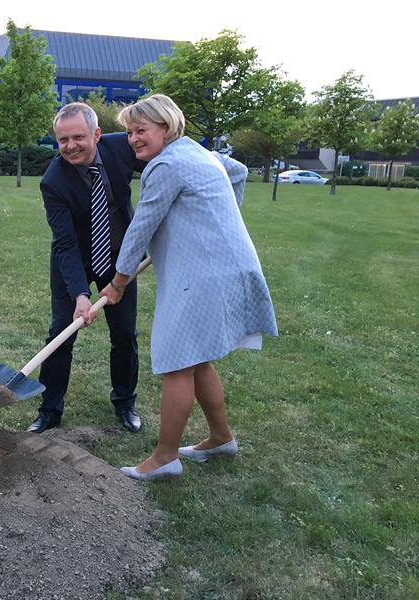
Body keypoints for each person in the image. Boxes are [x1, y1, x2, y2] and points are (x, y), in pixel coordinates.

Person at [98, 94, 278, 481]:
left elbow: (141, 226)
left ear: (165, 126)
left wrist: (118, 283)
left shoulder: (166, 165)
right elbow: (240, 171)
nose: (132, 139)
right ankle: (221, 438)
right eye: (129, 132)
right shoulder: (197, 153)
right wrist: (217, 216)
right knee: (196, 360)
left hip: (206, 275)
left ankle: (165, 457)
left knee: (176, 361)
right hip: (227, 265)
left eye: (140, 130)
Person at [27, 102, 146, 434]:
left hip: (120, 256)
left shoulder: (123, 147)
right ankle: (50, 409)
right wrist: (80, 293)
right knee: (60, 334)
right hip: (74, 259)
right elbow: (64, 244)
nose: (70, 146)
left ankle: (125, 403)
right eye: (62, 140)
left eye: (78, 137)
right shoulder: (53, 181)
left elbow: (162, 159)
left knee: (124, 335)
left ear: (96, 134)